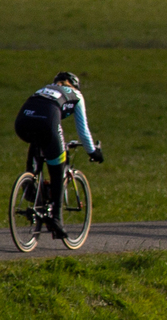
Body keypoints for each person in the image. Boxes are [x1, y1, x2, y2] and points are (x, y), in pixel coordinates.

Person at [13, 70, 102, 234]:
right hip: (47, 122)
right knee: (57, 169)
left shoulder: (44, 89)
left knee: (37, 142)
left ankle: (30, 184)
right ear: (75, 86)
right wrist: (93, 152)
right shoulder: (76, 95)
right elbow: (83, 131)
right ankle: (56, 219)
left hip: (22, 123)